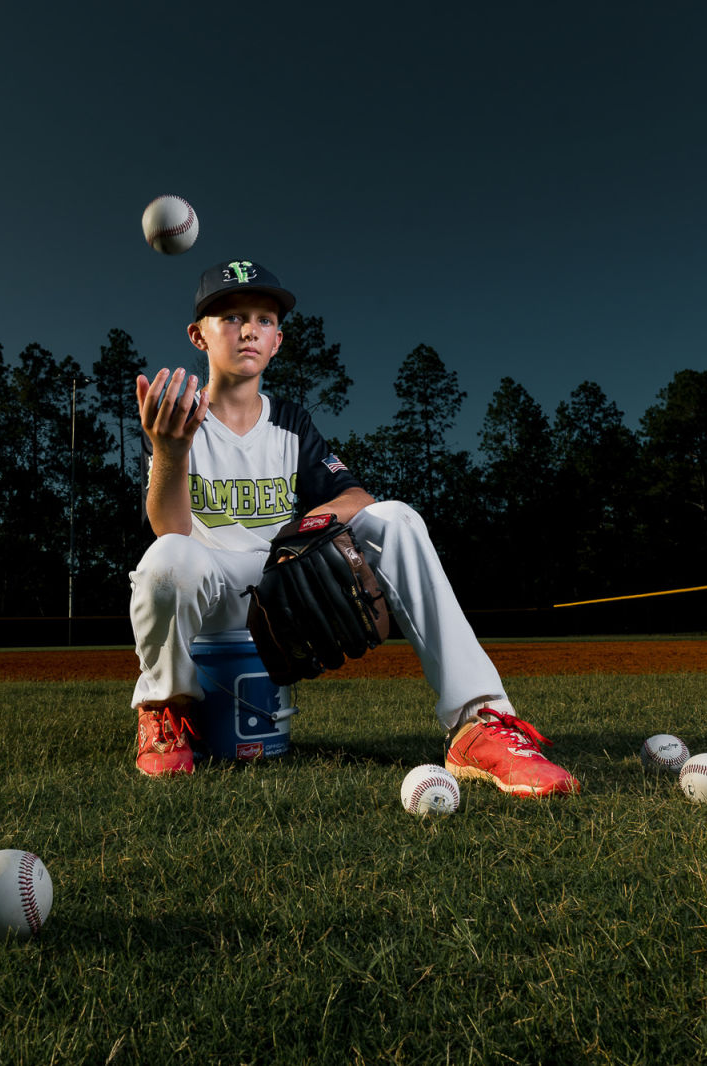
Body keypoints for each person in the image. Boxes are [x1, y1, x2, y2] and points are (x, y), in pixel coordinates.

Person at [128, 258, 579, 797]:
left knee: (396, 518)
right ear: (198, 335)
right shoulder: (179, 418)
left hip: (283, 588)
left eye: (264, 319)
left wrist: (304, 538)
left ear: (277, 341)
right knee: (164, 561)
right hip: (211, 591)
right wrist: (171, 452)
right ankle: (166, 714)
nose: (249, 328)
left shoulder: (290, 422)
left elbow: (356, 497)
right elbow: (170, 529)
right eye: (230, 316)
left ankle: (478, 721)